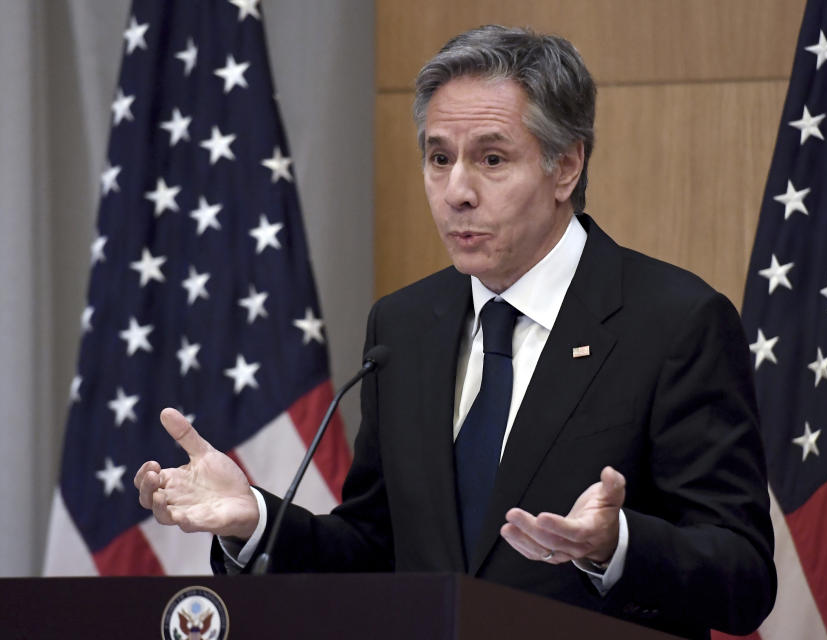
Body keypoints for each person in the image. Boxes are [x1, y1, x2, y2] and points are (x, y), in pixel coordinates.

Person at [135, 25, 775, 639]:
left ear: (566, 167)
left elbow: (744, 577)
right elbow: (377, 550)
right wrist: (256, 519)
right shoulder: (405, 326)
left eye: (491, 159)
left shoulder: (672, 322)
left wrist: (617, 546)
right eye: (438, 158)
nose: (456, 191)